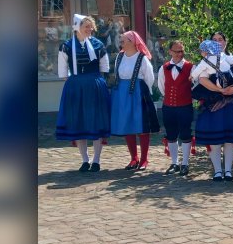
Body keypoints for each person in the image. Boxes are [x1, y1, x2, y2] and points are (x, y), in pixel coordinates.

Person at [56, 14, 111, 172]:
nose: (90, 29)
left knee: (96, 121)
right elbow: (63, 72)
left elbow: (104, 67)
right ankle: (85, 159)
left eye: (90, 26)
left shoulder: (98, 44)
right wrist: (76, 84)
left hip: (94, 86)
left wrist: (93, 82)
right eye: (86, 26)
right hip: (75, 87)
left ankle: (97, 160)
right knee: (78, 121)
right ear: (77, 27)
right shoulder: (66, 46)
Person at [192, 39, 233, 182]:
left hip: (231, 103)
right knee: (214, 140)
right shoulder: (206, 61)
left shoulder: (232, 60)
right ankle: (218, 171)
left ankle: (228, 171)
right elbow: (202, 79)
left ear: (225, 42)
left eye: (220, 39)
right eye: (215, 40)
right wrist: (219, 89)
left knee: (230, 140)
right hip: (213, 104)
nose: (218, 42)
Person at [110, 31, 160, 171]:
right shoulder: (119, 57)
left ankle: (144, 159)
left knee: (142, 126)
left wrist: (146, 95)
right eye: (121, 41)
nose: (121, 43)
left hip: (138, 94)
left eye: (123, 41)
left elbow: (149, 78)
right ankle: (134, 158)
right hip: (122, 94)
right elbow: (117, 75)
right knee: (127, 125)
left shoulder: (142, 58)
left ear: (132, 42)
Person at [157, 40, 194, 177]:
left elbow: (194, 87)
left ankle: (185, 163)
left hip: (185, 106)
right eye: (176, 51)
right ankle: (174, 163)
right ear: (170, 52)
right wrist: (169, 99)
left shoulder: (191, 67)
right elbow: (162, 86)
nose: (179, 54)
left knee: (185, 134)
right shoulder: (164, 68)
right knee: (171, 135)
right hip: (169, 107)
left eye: (181, 51)